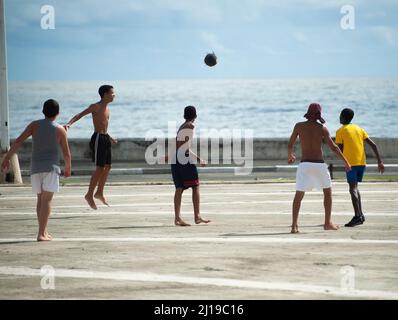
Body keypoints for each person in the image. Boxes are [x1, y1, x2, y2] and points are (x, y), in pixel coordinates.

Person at [1, 99, 71, 241]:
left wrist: (7, 157)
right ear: (58, 113)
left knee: (40, 200)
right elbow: (66, 153)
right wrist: (68, 167)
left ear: (43, 111)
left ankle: (43, 231)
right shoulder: (60, 129)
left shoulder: (34, 125)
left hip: (35, 167)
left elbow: (19, 141)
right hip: (51, 168)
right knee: (47, 201)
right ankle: (41, 233)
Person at [287, 103, 351, 233]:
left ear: (308, 112)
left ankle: (294, 226)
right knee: (327, 192)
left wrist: (290, 155)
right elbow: (334, 147)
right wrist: (346, 161)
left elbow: (290, 143)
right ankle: (327, 223)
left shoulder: (299, 126)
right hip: (319, 164)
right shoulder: (322, 128)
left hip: (304, 164)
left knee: (299, 194)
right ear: (319, 114)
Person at [64, 85, 117, 210]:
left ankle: (99, 192)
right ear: (105, 94)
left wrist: (110, 137)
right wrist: (69, 124)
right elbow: (80, 114)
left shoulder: (107, 109)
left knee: (108, 167)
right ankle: (89, 194)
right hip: (98, 138)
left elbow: (104, 126)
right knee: (100, 168)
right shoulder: (96, 106)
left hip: (105, 138)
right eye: (112, 93)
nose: (114, 95)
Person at [336, 108, 384, 227]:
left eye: (340, 116)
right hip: (361, 163)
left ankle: (357, 216)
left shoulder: (340, 131)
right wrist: (379, 162)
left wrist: (345, 162)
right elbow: (373, 145)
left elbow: (340, 150)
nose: (339, 118)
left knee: (352, 189)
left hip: (350, 163)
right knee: (355, 188)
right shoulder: (359, 129)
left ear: (343, 117)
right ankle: (360, 215)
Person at [169, 106, 210, 226]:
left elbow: (179, 147)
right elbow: (185, 148)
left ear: (184, 116)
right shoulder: (190, 126)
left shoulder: (181, 126)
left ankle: (177, 218)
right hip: (183, 159)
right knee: (195, 185)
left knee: (179, 188)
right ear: (195, 116)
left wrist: (198, 159)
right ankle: (197, 216)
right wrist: (198, 159)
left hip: (175, 158)